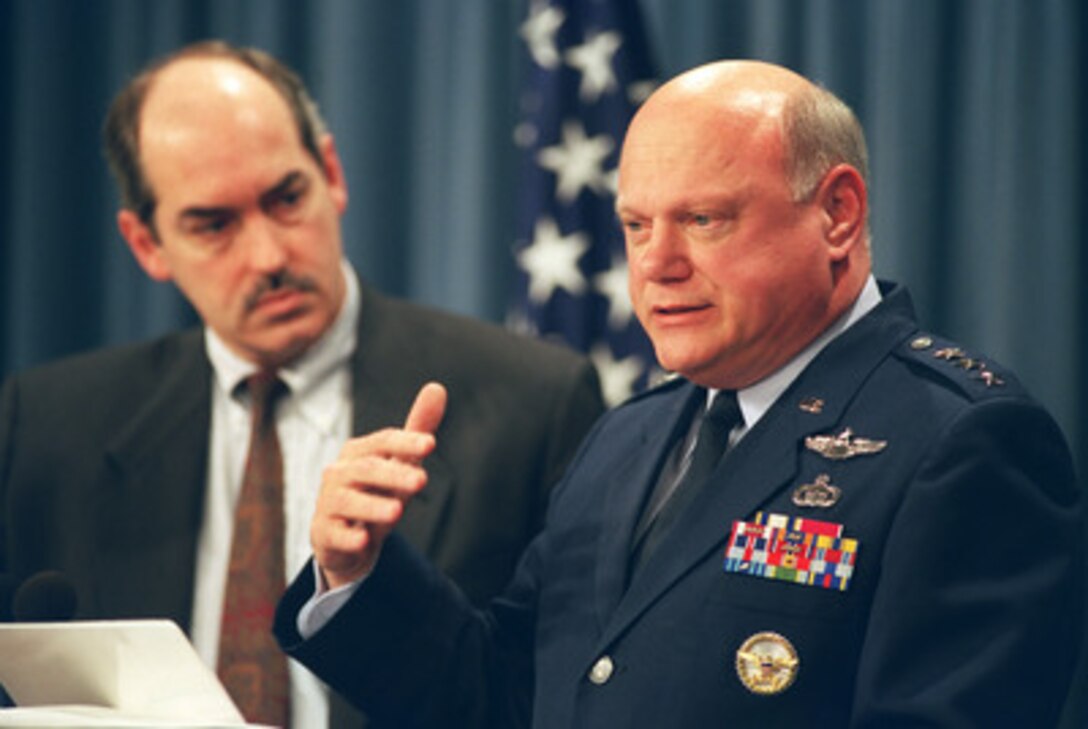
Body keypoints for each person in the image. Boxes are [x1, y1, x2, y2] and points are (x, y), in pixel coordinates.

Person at [274, 60, 1085, 727]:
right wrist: (357, 574)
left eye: (703, 219)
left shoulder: (962, 441)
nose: (656, 264)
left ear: (837, 213)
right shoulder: (629, 436)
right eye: (636, 225)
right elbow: (507, 698)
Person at [0, 41, 604, 728]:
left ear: (332, 174)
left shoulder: (533, 401)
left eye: (286, 198)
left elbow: (554, 696)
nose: (269, 255)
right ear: (147, 245)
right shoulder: (46, 427)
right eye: (213, 224)